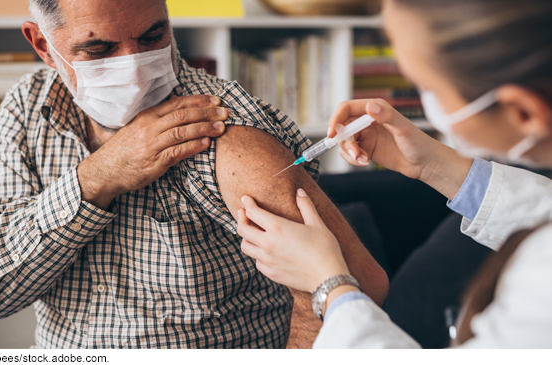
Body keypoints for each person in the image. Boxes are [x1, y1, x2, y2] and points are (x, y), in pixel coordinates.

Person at [0, 0, 388, 348]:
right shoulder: (31, 105)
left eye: (152, 36)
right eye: (99, 50)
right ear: (43, 45)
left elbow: (356, 287)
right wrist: (98, 177)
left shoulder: (224, 130)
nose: (137, 71)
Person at [236, 0, 552, 348]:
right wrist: (433, 164)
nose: (422, 99)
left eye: (425, 86)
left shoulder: (540, 281)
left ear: (522, 111)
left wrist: (328, 282)